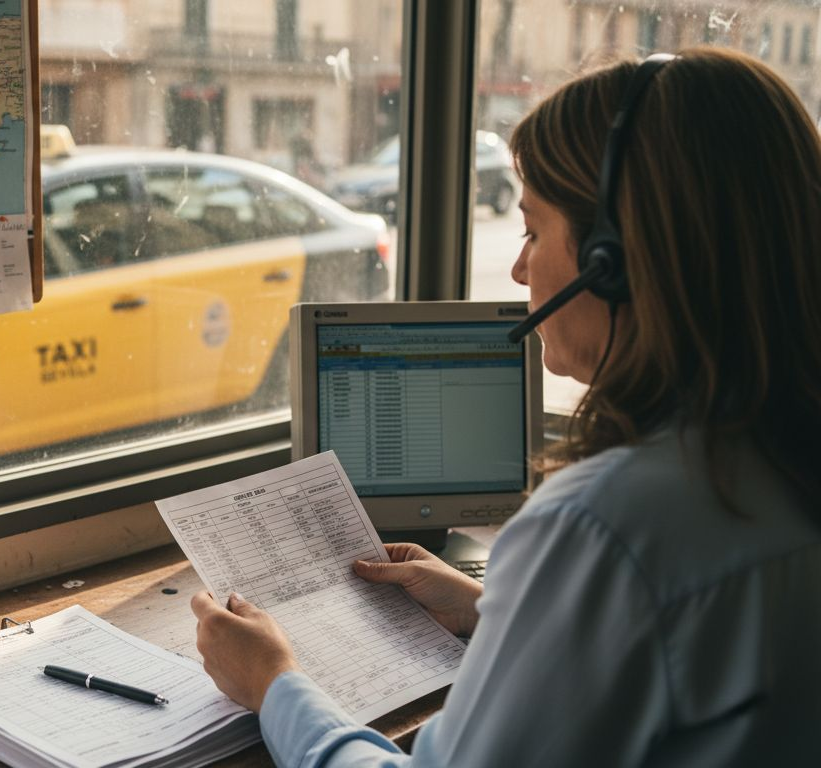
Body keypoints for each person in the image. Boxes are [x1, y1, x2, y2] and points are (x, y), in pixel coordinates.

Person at [191, 47, 821, 766]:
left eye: (532, 229)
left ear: (611, 259)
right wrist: (491, 610)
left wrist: (274, 686)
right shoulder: (779, 455)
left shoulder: (604, 526)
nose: (521, 267)